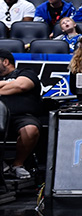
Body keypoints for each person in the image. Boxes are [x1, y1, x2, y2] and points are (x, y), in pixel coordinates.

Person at [0, 48, 41, 180]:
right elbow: (14, 86)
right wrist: (8, 84)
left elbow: (21, 86)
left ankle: (18, 165)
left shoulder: (25, 72)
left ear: (5, 62)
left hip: (21, 116)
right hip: (0, 116)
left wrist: (9, 84)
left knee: (30, 129)